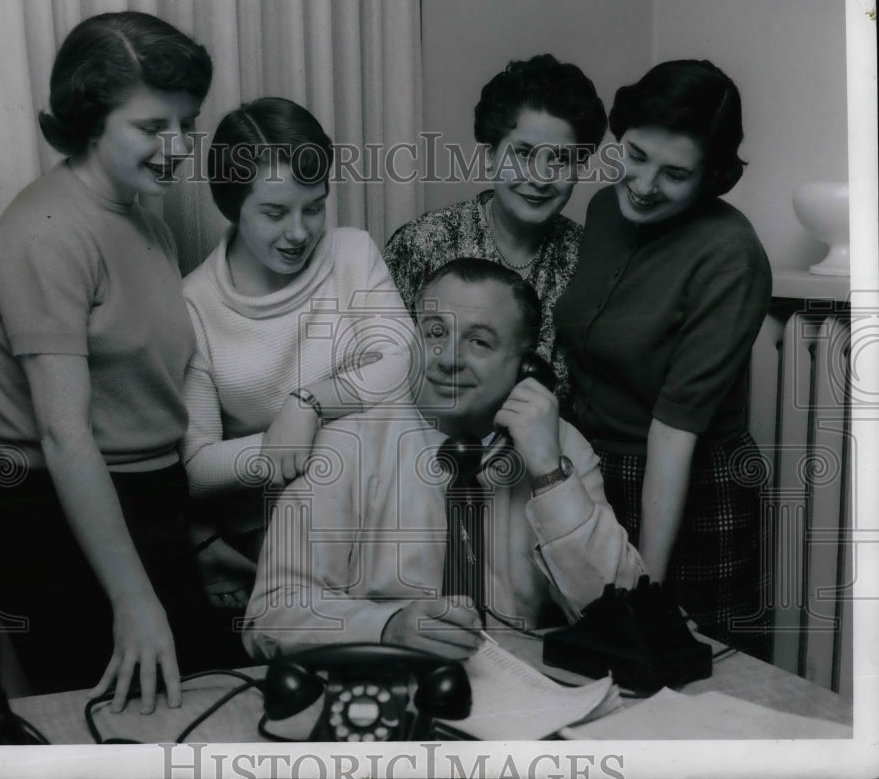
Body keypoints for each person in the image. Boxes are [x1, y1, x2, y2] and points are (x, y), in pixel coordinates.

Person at [0, 12, 215, 713]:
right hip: (64, 529)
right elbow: (64, 433)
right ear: (89, 122)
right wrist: (135, 600)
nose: (177, 147)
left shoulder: (144, 213)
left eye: (187, 123)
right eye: (152, 127)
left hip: (152, 507)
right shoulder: (44, 233)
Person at [242, 259, 646, 661]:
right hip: (396, 691)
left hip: (529, 696)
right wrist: (385, 628)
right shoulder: (344, 446)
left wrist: (548, 476)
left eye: (479, 342)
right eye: (435, 332)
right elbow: (270, 616)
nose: (447, 358)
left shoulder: (561, 448)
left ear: (527, 367)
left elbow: (625, 613)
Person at [553, 60, 772, 658]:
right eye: (636, 154)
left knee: (691, 670)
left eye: (675, 173)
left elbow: (674, 433)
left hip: (689, 487)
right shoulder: (601, 212)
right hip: (592, 472)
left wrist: (647, 583)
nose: (645, 185)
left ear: (712, 177)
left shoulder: (731, 254)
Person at [182, 97, 413, 614]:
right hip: (266, 542)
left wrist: (307, 406)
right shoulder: (194, 303)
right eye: (273, 212)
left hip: (378, 518)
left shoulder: (352, 252)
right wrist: (279, 447)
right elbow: (196, 467)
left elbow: (403, 362)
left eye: (313, 206)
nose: (299, 232)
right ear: (230, 205)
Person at [383, 54, 607, 402]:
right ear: (491, 154)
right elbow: (377, 369)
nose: (540, 177)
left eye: (561, 159)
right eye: (523, 154)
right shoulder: (423, 243)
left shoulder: (591, 260)